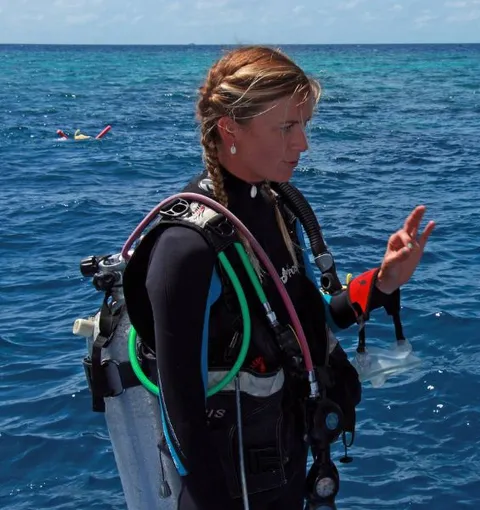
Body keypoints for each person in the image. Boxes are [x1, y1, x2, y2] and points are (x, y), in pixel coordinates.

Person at [121, 45, 435, 510]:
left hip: (288, 468)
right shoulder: (186, 249)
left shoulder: (277, 207)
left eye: (304, 125)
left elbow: (306, 324)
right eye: (287, 127)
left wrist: (385, 280)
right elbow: (180, 415)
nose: (302, 143)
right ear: (231, 129)